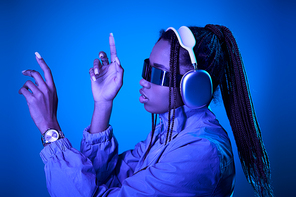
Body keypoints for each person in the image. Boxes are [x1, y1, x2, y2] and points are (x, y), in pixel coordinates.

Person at [19, 25, 273, 197]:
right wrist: (103, 104)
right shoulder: (168, 131)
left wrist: (50, 129)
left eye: (156, 73)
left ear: (193, 86)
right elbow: (98, 177)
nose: (143, 80)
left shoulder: (199, 152)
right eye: (145, 67)